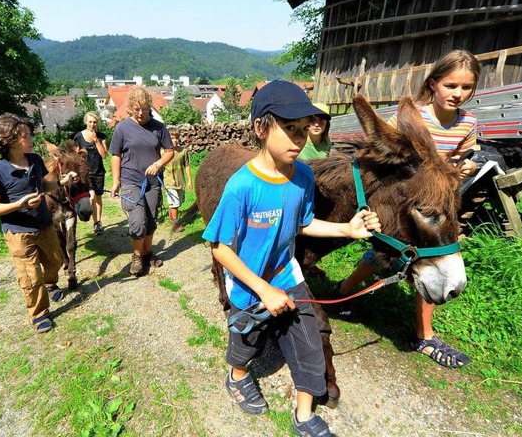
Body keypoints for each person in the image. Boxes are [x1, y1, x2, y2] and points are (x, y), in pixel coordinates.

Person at [202, 80, 382, 437]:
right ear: (260, 128)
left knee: (310, 342)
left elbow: (304, 222)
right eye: (289, 129)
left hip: (287, 275)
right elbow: (219, 248)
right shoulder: (242, 186)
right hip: (249, 288)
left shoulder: (301, 174)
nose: (299, 139)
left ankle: (304, 416)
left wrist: (347, 230)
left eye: (304, 130)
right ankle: (236, 377)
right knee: (246, 345)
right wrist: (262, 290)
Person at [335, 49, 480, 369]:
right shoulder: (414, 115)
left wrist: (463, 166)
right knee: (382, 252)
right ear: (433, 84)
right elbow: (387, 150)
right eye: (451, 85)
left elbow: (464, 155)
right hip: (406, 199)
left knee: (431, 254)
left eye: (466, 88)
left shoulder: (468, 123)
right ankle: (344, 290)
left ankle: (424, 334)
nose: (458, 94)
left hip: (440, 201)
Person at [0, 113, 78, 333]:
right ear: (10, 141)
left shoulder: (35, 159)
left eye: (28, 133)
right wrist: (20, 203)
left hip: (45, 225)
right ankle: (39, 313)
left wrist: (62, 181)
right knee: (30, 275)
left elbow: (43, 187)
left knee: (54, 262)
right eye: (25, 135)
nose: (30, 137)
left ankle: (50, 283)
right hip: (19, 233)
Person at [109, 87, 174, 276]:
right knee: (138, 221)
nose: (140, 113)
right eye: (136, 109)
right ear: (130, 108)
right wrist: (116, 181)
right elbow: (115, 155)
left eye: (143, 109)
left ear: (149, 107)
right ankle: (136, 255)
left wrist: (159, 163)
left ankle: (147, 253)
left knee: (151, 221)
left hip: (153, 182)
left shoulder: (159, 127)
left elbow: (170, 151)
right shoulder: (122, 128)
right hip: (130, 181)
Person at [73, 111, 108, 235]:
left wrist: (96, 140)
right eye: (90, 122)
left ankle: (97, 222)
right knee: (91, 197)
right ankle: (88, 216)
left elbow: (104, 155)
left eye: (95, 122)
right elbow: (75, 156)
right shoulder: (78, 136)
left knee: (98, 197)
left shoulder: (102, 136)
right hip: (85, 173)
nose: (92, 124)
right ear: (86, 122)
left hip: (98, 171)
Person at [162, 128, 192, 232]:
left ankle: (171, 217)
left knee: (178, 202)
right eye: (172, 138)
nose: (174, 140)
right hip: (169, 181)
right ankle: (175, 223)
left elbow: (187, 166)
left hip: (180, 181)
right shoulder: (163, 152)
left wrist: (189, 181)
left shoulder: (183, 151)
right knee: (174, 202)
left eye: (176, 138)